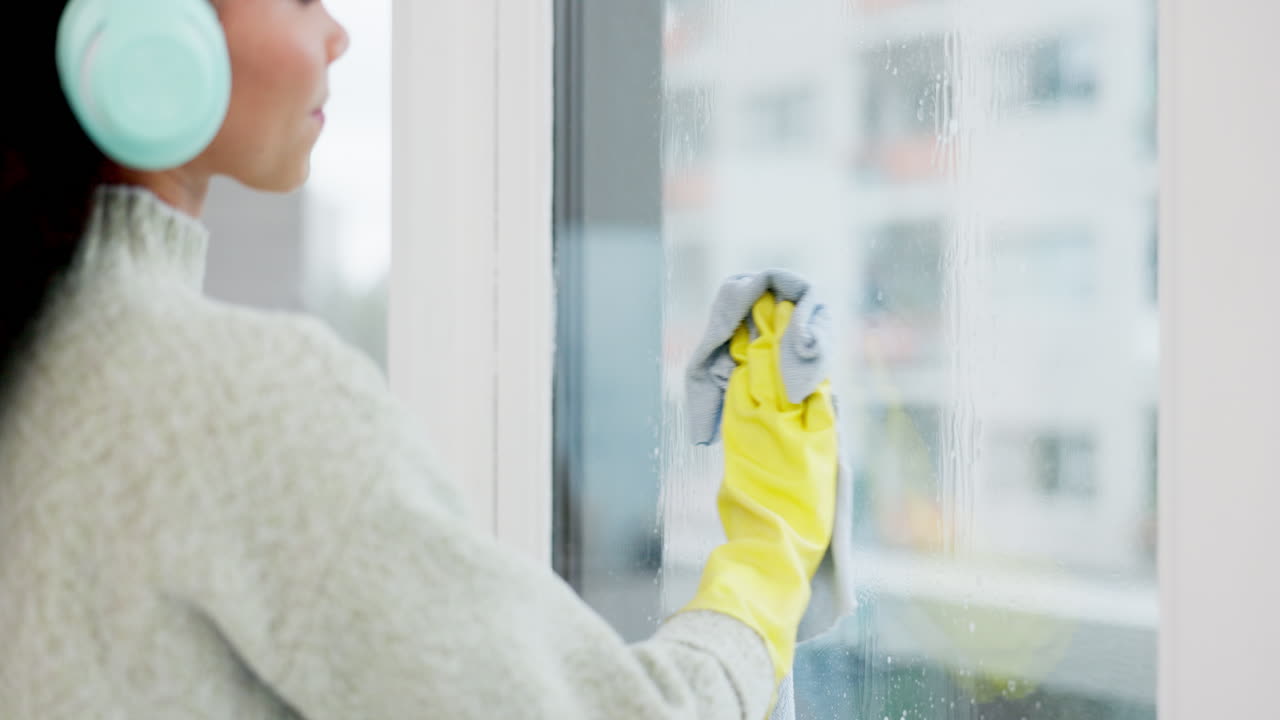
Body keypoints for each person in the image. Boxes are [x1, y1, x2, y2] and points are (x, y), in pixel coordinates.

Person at [0, 1, 837, 718]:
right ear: (145, 28)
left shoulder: (48, 356)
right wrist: (764, 571)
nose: (337, 35)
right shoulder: (229, 402)